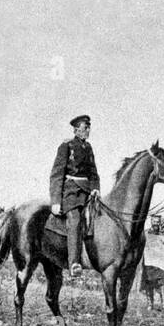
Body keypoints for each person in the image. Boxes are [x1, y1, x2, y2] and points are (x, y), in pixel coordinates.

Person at [49, 115, 99, 278]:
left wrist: (95, 188)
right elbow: (56, 174)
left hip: (87, 193)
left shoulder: (88, 148)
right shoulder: (66, 146)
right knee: (75, 220)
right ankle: (74, 263)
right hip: (71, 193)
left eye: (88, 128)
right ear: (76, 130)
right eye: (85, 128)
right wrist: (56, 201)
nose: (88, 131)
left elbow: (93, 173)